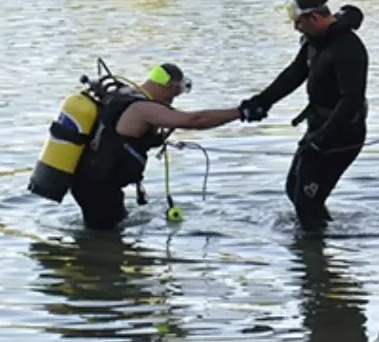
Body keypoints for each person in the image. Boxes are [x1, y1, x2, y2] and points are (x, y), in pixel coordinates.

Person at [70, 63, 261, 230]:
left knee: (108, 238)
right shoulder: (144, 108)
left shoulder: (126, 94)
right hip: (98, 188)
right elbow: (195, 120)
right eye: (174, 94)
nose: (173, 101)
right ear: (169, 86)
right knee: (107, 248)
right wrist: (239, 112)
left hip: (92, 183)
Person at [239, 0, 369, 232]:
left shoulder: (347, 48)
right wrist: (261, 101)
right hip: (319, 127)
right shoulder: (314, 42)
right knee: (295, 189)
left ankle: (315, 262)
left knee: (306, 203)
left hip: (343, 132)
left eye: (298, 23)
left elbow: (351, 100)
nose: (296, 29)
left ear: (315, 18)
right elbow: (294, 74)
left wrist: (324, 137)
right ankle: (322, 235)